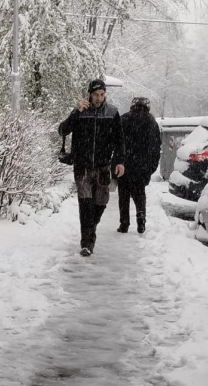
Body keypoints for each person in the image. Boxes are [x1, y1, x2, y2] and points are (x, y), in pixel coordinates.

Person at [58, 78, 125, 256]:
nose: (98, 98)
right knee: (85, 205)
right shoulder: (80, 112)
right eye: (95, 94)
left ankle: (91, 228)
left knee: (100, 205)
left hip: (103, 167)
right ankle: (86, 243)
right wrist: (75, 113)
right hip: (83, 167)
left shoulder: (112, 113)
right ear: (89, 94)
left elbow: (119, 140)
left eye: (102, 95)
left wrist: (119, 161)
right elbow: (62, 130)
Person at [117, 97, 161, 234]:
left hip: (124, 164)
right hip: (142, 166)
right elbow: (156, 146)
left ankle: (124, 224)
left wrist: (117, 161)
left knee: (123, 195)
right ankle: (141, 218)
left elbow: (117, 141)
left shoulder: (124, 119)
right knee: (139, 194)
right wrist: (152, 166)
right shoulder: (152, 122)